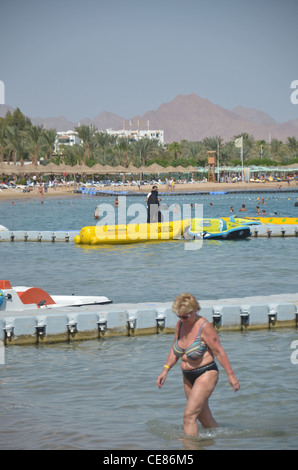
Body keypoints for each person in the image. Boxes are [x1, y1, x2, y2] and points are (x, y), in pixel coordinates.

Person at [156, 293, 240, 437]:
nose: (182, 319)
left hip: (206, 373)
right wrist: (165, 370)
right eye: (179, 316)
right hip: (188, 376)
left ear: (195, 310)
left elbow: (219, 352)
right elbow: (175, 349)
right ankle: (221, 441)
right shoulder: (181, 324)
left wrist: (231, 376)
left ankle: (189, 450)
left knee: (189, 416)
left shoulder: (205, 327)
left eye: (185, 316)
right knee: (202, 416)